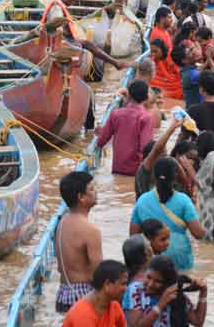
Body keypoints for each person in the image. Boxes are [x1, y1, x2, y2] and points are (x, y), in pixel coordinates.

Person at [130, 157, 206, 272]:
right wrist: (197, 209)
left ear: (154, 176)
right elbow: (199, 234)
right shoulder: (184, 201)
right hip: (180, 262)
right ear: (175, 177)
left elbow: (133, 237)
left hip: (153, 265)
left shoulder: (142, 200)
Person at [55, 171, 103, 313]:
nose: (96, 192)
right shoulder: (90, 230)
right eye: (92, 189)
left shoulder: (62, 222)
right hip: (82, 296)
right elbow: (99, 274)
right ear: (81, 197)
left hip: (63, 295)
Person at [127, 255, 207, 327]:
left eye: (157, 281)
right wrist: (161, 304)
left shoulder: (174, 295)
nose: (150, 284)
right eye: (148, 277)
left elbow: (198, 322)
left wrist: (203, 292)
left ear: (167, 284)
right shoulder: (136, 290)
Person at [96, 79, 156, 176]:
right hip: (136, 171)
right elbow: (145, 147)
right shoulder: (146, 117)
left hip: (117, 167)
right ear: (146, 97)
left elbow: (101, 141)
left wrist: (99, 132)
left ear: (129, 96)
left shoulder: (116, 114)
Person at [61, 260, 127, 327]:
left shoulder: (114, 306)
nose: (126, 288)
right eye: (123, 284)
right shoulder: (83, 314)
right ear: (107, 284)